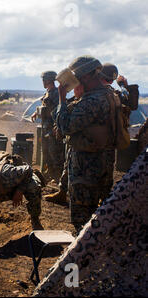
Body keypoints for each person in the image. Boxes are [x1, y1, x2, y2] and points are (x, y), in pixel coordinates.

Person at [56, 55, 119, 234]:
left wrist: (62, 99)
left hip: (86, 171)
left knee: (82, 223)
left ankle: (83, 258)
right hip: (102, 167)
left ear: (85, 76)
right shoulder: (108, 94)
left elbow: (66, 126)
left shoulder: (92, 101)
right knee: (98, 220)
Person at [98, 63, 140, 194]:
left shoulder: (96, 93)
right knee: (107, 171)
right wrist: (125, 86)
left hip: (95, 140)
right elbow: (132, 104)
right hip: (110, 140)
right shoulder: (116, 94)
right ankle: (103, 199)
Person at [45, 84, 85, 204]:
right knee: (67, 166)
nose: (74, 90)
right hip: (74, 144)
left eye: (78, 87)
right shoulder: (76, 101)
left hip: (84, 145)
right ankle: (62, 192)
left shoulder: (86, 103)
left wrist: (62, 99)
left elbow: (66, 125)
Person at [32, 71, 65, 182]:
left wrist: (56, 128)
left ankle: (58, 178)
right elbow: (44, 106)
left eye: (44, 80)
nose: (43, 82)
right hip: (46, 128)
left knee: (55, 154)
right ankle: (52, 175)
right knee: (46, 153)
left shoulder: (56, 94)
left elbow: (58, 111)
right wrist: (36, 113)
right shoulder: (48, 93)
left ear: (48, 80)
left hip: (52, 130)